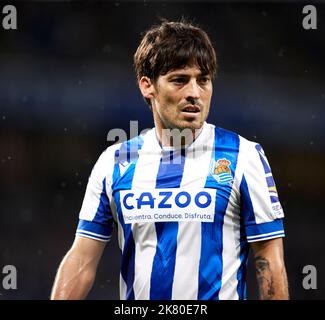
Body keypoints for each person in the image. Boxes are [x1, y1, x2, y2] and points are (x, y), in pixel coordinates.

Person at [51, 20, 289, 300]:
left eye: (203, 80)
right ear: (147, 86)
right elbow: (82, 259)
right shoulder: (114, 162)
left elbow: (269, 259)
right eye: (179, 80)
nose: (194, 93)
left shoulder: (244, 156)